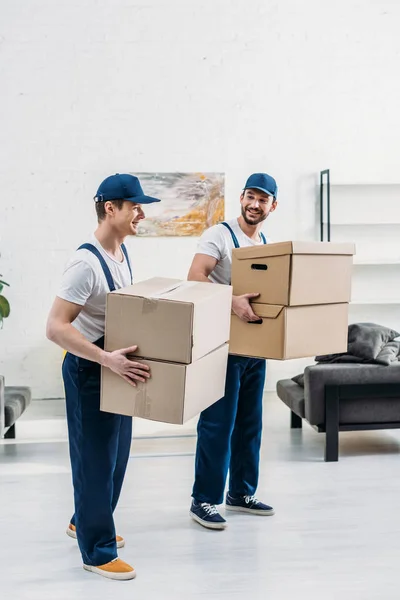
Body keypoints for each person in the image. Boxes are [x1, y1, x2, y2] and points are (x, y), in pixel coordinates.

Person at [46, 173, 161, 579]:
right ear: (110, 208)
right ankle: (96, 551)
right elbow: (57, 327)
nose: (141, 214)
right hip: (89, 370)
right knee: (94, 461)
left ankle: (83, 518)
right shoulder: (85, 262)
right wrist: (104, 359)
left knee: (116, 458)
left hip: (115, 367)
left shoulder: (121, 252)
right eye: (135, 206)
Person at [188, 172, 278, 530]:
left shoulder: (266, 244)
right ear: (241, 198)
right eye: (250, 197)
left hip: (255, 347)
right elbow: (195, 277)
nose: (255, 204)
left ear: (273, 205)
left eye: (263, 199)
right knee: (217, 423)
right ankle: (203, 499)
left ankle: (240, 492)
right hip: (221, 346)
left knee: (249, 424)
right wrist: (232, 301)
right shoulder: (219, 236)